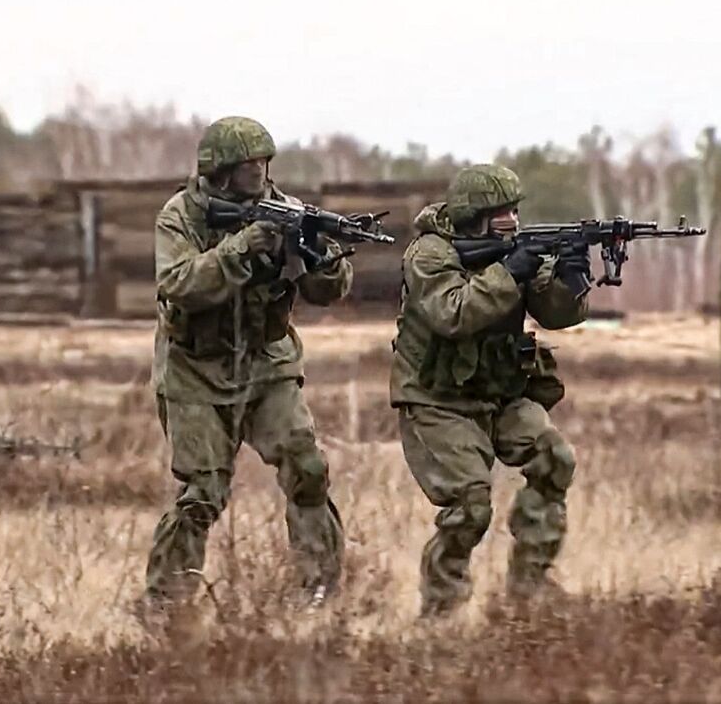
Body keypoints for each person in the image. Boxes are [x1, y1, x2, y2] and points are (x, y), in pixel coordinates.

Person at [145, 116, 349, 607]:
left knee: (307, 468)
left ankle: (319, 588)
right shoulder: (182, 216)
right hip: (195, 369)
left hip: (267, 364)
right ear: (219, 171)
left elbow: (328, 293)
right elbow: (180, 284)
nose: (258, 172)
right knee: (203, 494)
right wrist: (244, 245)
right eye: (247, 164)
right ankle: (168, 604)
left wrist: (321, 257)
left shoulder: (286, 211)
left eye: (263, 162)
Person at [390, 164, 591, 616]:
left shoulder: (512, 252)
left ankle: (529, 586)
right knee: (470, 504)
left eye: (516, 211)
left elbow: (555, 313)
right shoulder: (428, 254)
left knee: (554, 458)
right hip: (437, 400)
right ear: (473, 217)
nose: (512, 222)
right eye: (501, 213)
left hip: (501, 393)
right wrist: (509, 271)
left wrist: (571, 281)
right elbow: (452, 312)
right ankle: (442, 610)